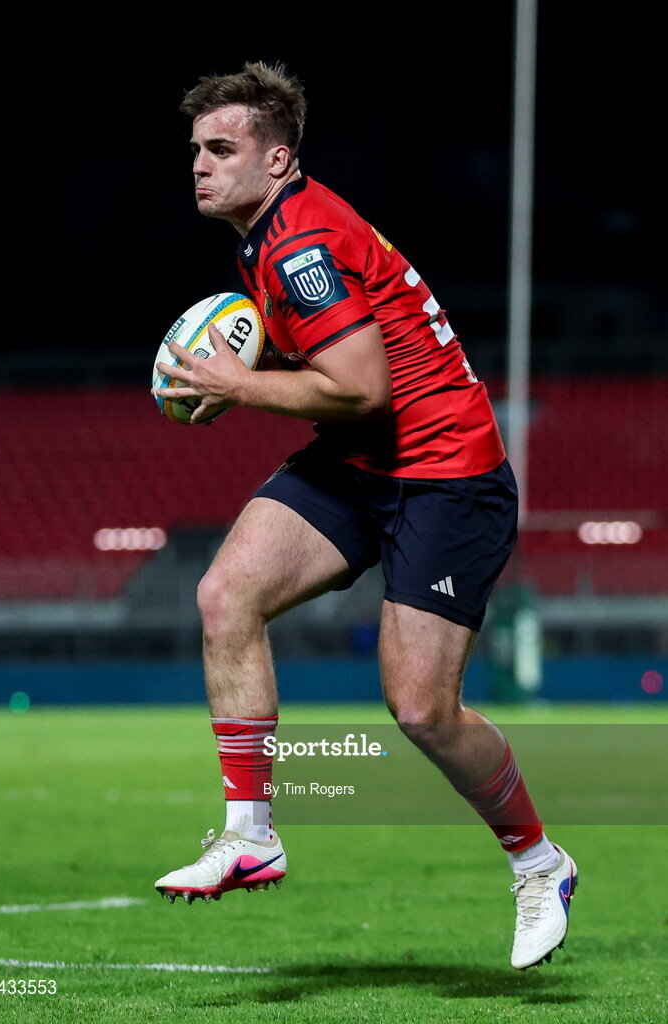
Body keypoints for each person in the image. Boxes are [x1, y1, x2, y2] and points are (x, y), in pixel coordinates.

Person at [152, 61, 577, 970]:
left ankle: (539, 862)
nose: (199, 164)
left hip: (445, 475)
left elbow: (361, 386)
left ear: (277, 161)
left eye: (221, 149)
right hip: (359, 464)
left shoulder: (298, 245)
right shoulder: (264, 237)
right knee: (225, 595)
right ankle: (250, 832)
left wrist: (238, 385)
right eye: (195, 150)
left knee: (420, 709)